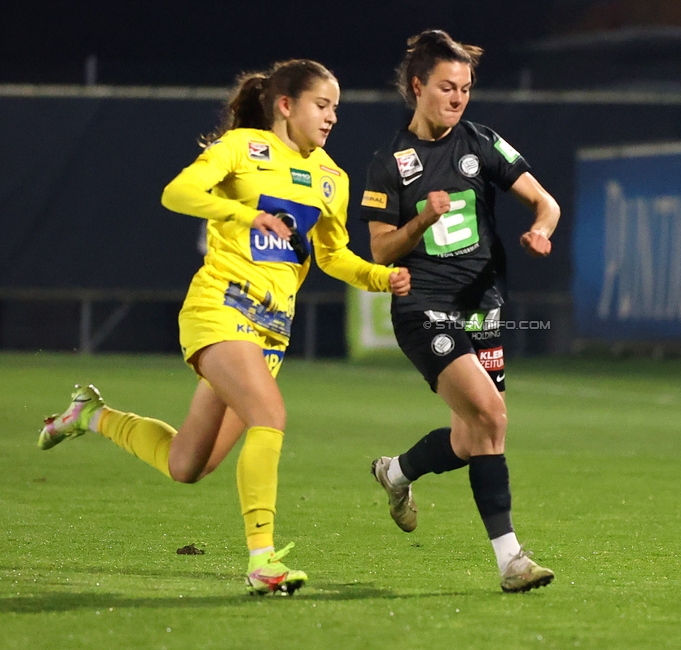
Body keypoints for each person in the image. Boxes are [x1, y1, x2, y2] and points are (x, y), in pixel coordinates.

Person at [37, 59, 410, 595]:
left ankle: (90, 416)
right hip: (222, 307)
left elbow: (334, 256)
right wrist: (242, 214)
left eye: (336, 108)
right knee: (270, 414)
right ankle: (262, 560)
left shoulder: (333, 178)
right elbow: (177, 194)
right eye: (322, 105)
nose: (331, 117)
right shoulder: (242, 150)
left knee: (187, 464)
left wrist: (382, 276)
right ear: (286, 105)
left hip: (271, 332)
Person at [360, 30, 561, 593]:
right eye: (447, 87)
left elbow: (546, 203)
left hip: (485, 310)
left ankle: (395, 472)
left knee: (474, 438)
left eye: (466, 88)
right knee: (493, 418)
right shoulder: (389, 164)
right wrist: (423, 219)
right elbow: (379, 250)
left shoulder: (480, 142)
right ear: (418, 86)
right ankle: (511, 561)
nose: (458, 98)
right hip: (423, 310)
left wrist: (541, 230)